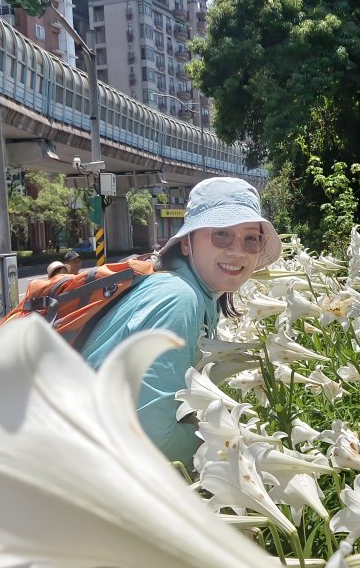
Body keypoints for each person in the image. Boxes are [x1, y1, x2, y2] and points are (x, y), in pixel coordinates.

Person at [80, 177, 281, 468]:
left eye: (251, 239)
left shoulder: (199, 296)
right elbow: (153, 436)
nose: (238, 251)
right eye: (221, 234)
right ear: (186, 243)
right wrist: (228, 447)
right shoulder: (179, 297)